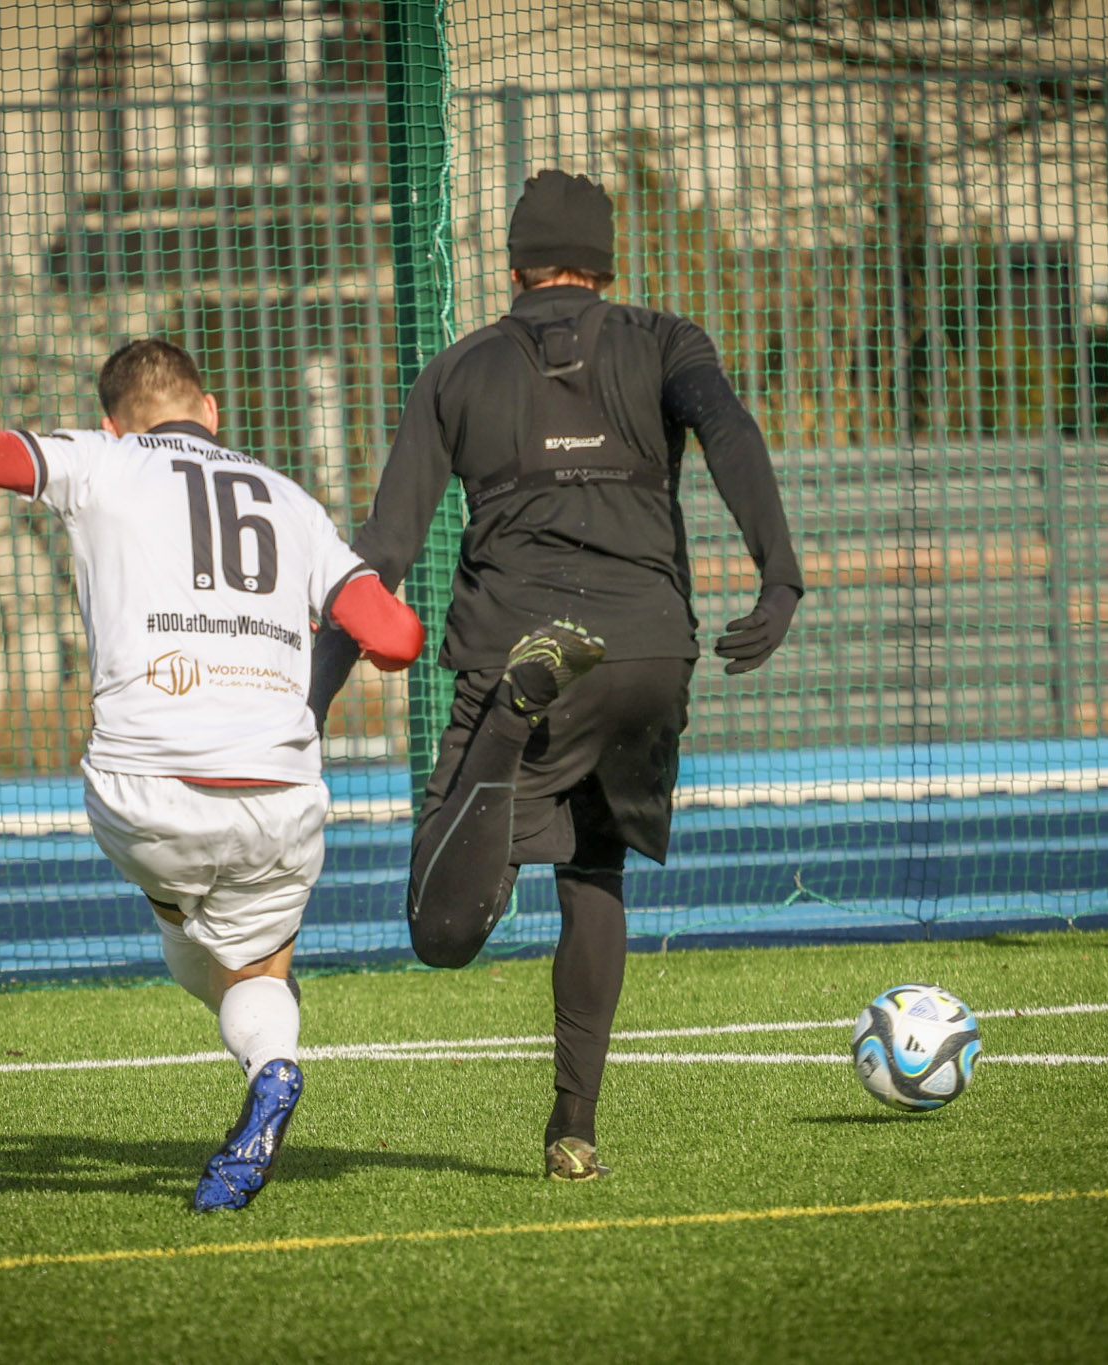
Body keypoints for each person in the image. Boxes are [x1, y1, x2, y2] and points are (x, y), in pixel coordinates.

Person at [0, 325, 424, 1211]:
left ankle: (264, 1056)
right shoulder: (293, 500)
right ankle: (272, 1058)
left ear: (115, 424)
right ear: (211, 411)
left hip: (147, 791)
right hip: (281, 795)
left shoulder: (99, 461)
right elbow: (398, 638)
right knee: (256, 966)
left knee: (196, 948)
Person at [311, 169, 803, 1181]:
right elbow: (729, 432)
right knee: (594, 873)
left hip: (513, 643)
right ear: (604, 265)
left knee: (441, 933)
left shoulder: (456, 370)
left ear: (514, 265)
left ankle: (508, 725)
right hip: (647, 653)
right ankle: (572, 1127)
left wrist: (311, 697)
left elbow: (383, 548)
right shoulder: (666, 342)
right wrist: (779, 575)